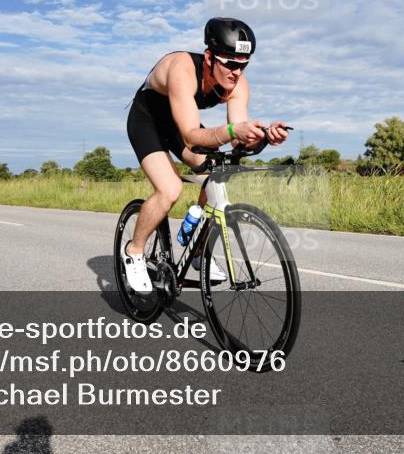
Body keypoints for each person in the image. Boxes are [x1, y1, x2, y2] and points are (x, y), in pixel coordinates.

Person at [123, 17, 289, 293]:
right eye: (231, 63)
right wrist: (235, 130)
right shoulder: (182, 70)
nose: (237, 72)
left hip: (179, 124)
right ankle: (134, 250)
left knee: (217, 175)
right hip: (148, 121)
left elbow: (237, 139)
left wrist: (262, 137)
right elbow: (191, 135)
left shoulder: (238, 85)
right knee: (170, 188)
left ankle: (199, 252)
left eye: (244, 64)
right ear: (210, 57)